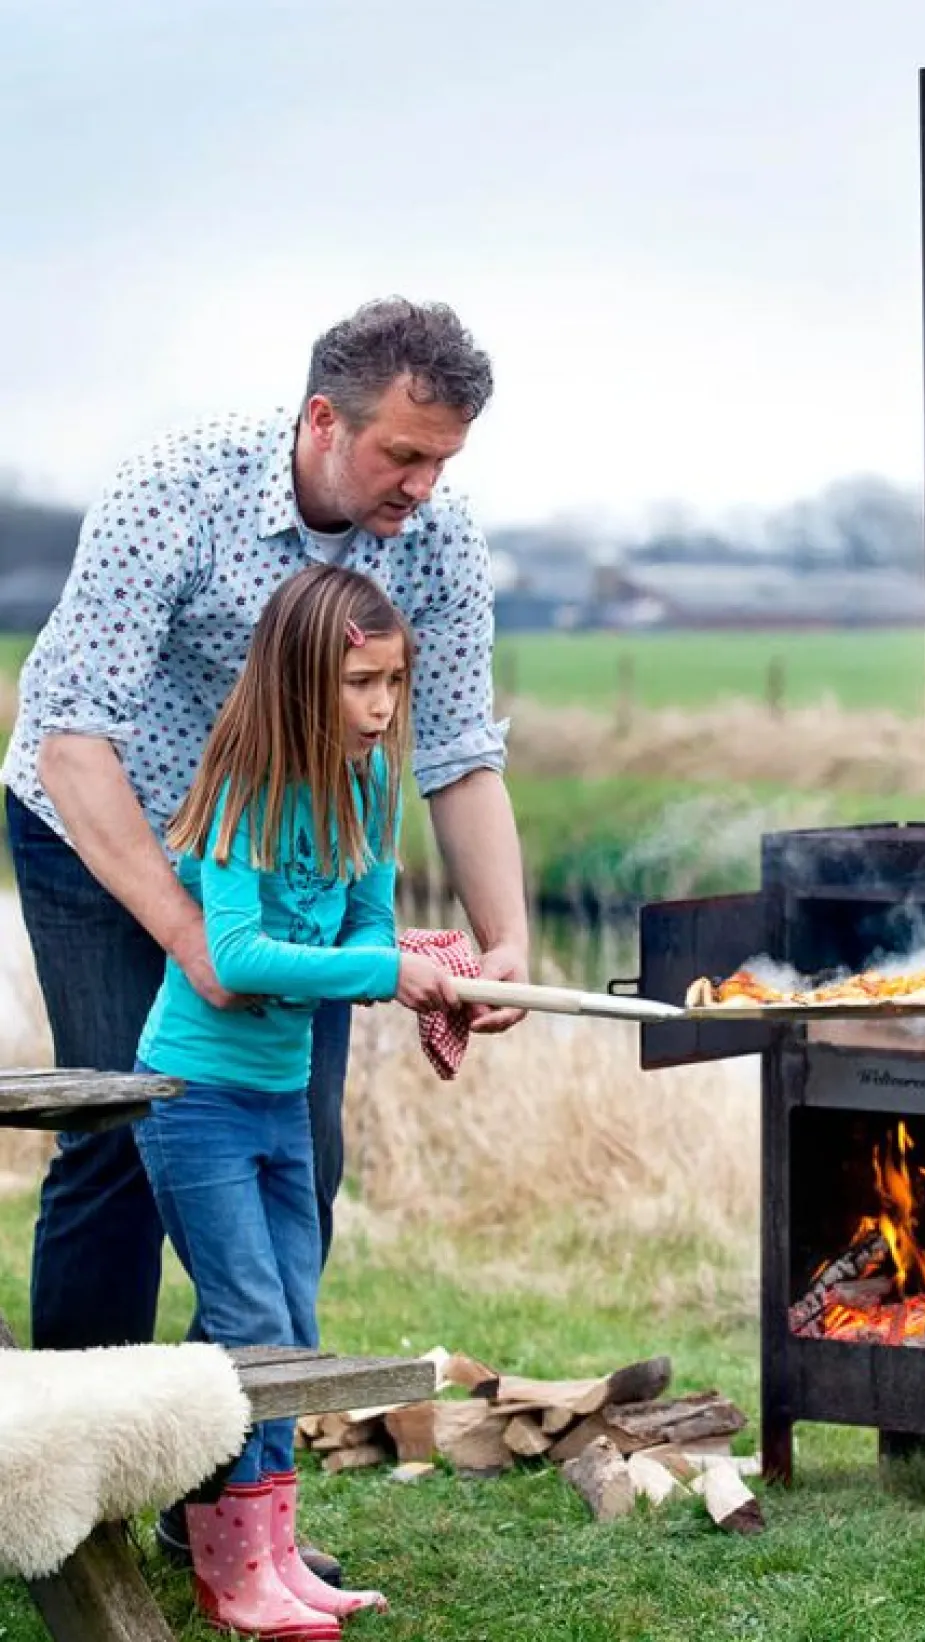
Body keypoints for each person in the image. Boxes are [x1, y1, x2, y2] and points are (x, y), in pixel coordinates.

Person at [0, 296, 530, 1578]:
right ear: (321, 419)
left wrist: (500, 940)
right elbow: (75, 739)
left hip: (293, 873)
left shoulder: (440, 539)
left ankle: (227, 1503)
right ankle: (73, 1509)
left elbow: (456, 753)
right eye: (403, 455)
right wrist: (191, 937)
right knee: (126, 1134)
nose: (423, 485)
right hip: (103, 834)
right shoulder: (171, 496)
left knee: (298, 1152)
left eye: (444, 459)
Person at [133, 564, 449, 1637]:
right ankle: (227, 1571)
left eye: (393, 683)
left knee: (295, 1327)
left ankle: (272, 1554)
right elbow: (235, 954)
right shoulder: (242, 792)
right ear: (299, 683)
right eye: (361, 683)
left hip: (279, 1096)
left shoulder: (366, 786)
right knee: (252, 1325)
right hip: (196, 1097)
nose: (381, 707)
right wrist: (383, 973)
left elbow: (367, 919)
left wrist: (385, 957)